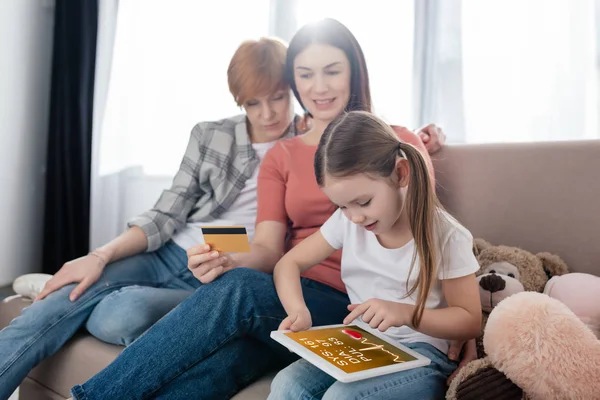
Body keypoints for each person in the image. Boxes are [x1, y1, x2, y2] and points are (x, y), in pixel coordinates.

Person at [66, 19, 454, 400]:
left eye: (332, 71)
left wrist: (458, 324)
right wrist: (227, 262)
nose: (318, 87)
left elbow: (428, 232)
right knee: (218, 366)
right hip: (290, 299)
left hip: (358, 305)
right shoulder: (281, 154)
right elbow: (269, 249)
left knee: (238, 291)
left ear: (355, 72)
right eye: (304, 75)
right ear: (294, 82)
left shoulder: (397, 142)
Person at [0, 37, 306, 400]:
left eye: (278, 97)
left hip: (221, 273)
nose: (268, 114)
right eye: (254, 103)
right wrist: (99, 256)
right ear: (239, 101)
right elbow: (167, 211)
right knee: (56, 304)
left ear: (293, 91)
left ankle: (100, 296)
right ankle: (79, 289)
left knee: (118, 316)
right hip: (170, 250)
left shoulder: (307, 143)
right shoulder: (211, 134)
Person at [268, 110, 482, 400]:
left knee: (342, 398)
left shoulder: (446, 235)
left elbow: (469, 320)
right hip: (362, 344)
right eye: (342, 206)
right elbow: (289, 264)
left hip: (423, 353)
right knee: (287, 384)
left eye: (363, 202)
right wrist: (298, 311)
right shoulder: (348, 222)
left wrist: (405, 314)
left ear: (400, 173)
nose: (354, 217)